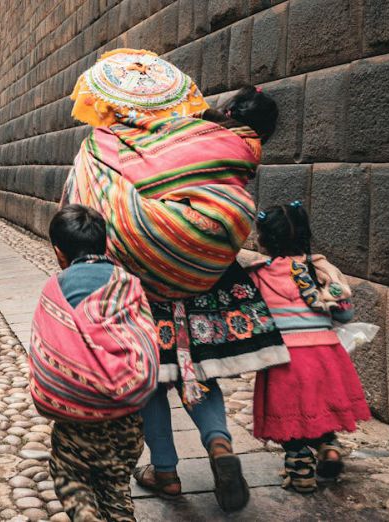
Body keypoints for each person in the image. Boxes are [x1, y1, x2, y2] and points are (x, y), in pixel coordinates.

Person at [60, 49, 288, 513]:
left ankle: (164, 472)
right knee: (198, 372)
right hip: (204, 279)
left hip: (140, 285)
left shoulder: (103, 146)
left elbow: (81, 208)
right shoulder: (202, 135)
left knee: (154, 383)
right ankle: (220, 444)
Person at [30, 205, 159, 521]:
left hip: (77, 423)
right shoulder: (128, 285)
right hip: (127, 421)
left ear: (59, 252)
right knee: (116, 486)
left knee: (68, 475)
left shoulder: (55, 290)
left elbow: (44, 352)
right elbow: (144, 339)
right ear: (105, 244)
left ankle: (86, 514)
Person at [248, 201, 370, 493]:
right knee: (320, 407)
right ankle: (328, 448)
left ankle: (301, 470)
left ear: (264, 240)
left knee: (290, 416)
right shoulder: (322, 271)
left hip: (284, 358)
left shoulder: (258, 275)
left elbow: (253, 318)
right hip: (326, 354)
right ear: (306, 234)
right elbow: (344, 314)